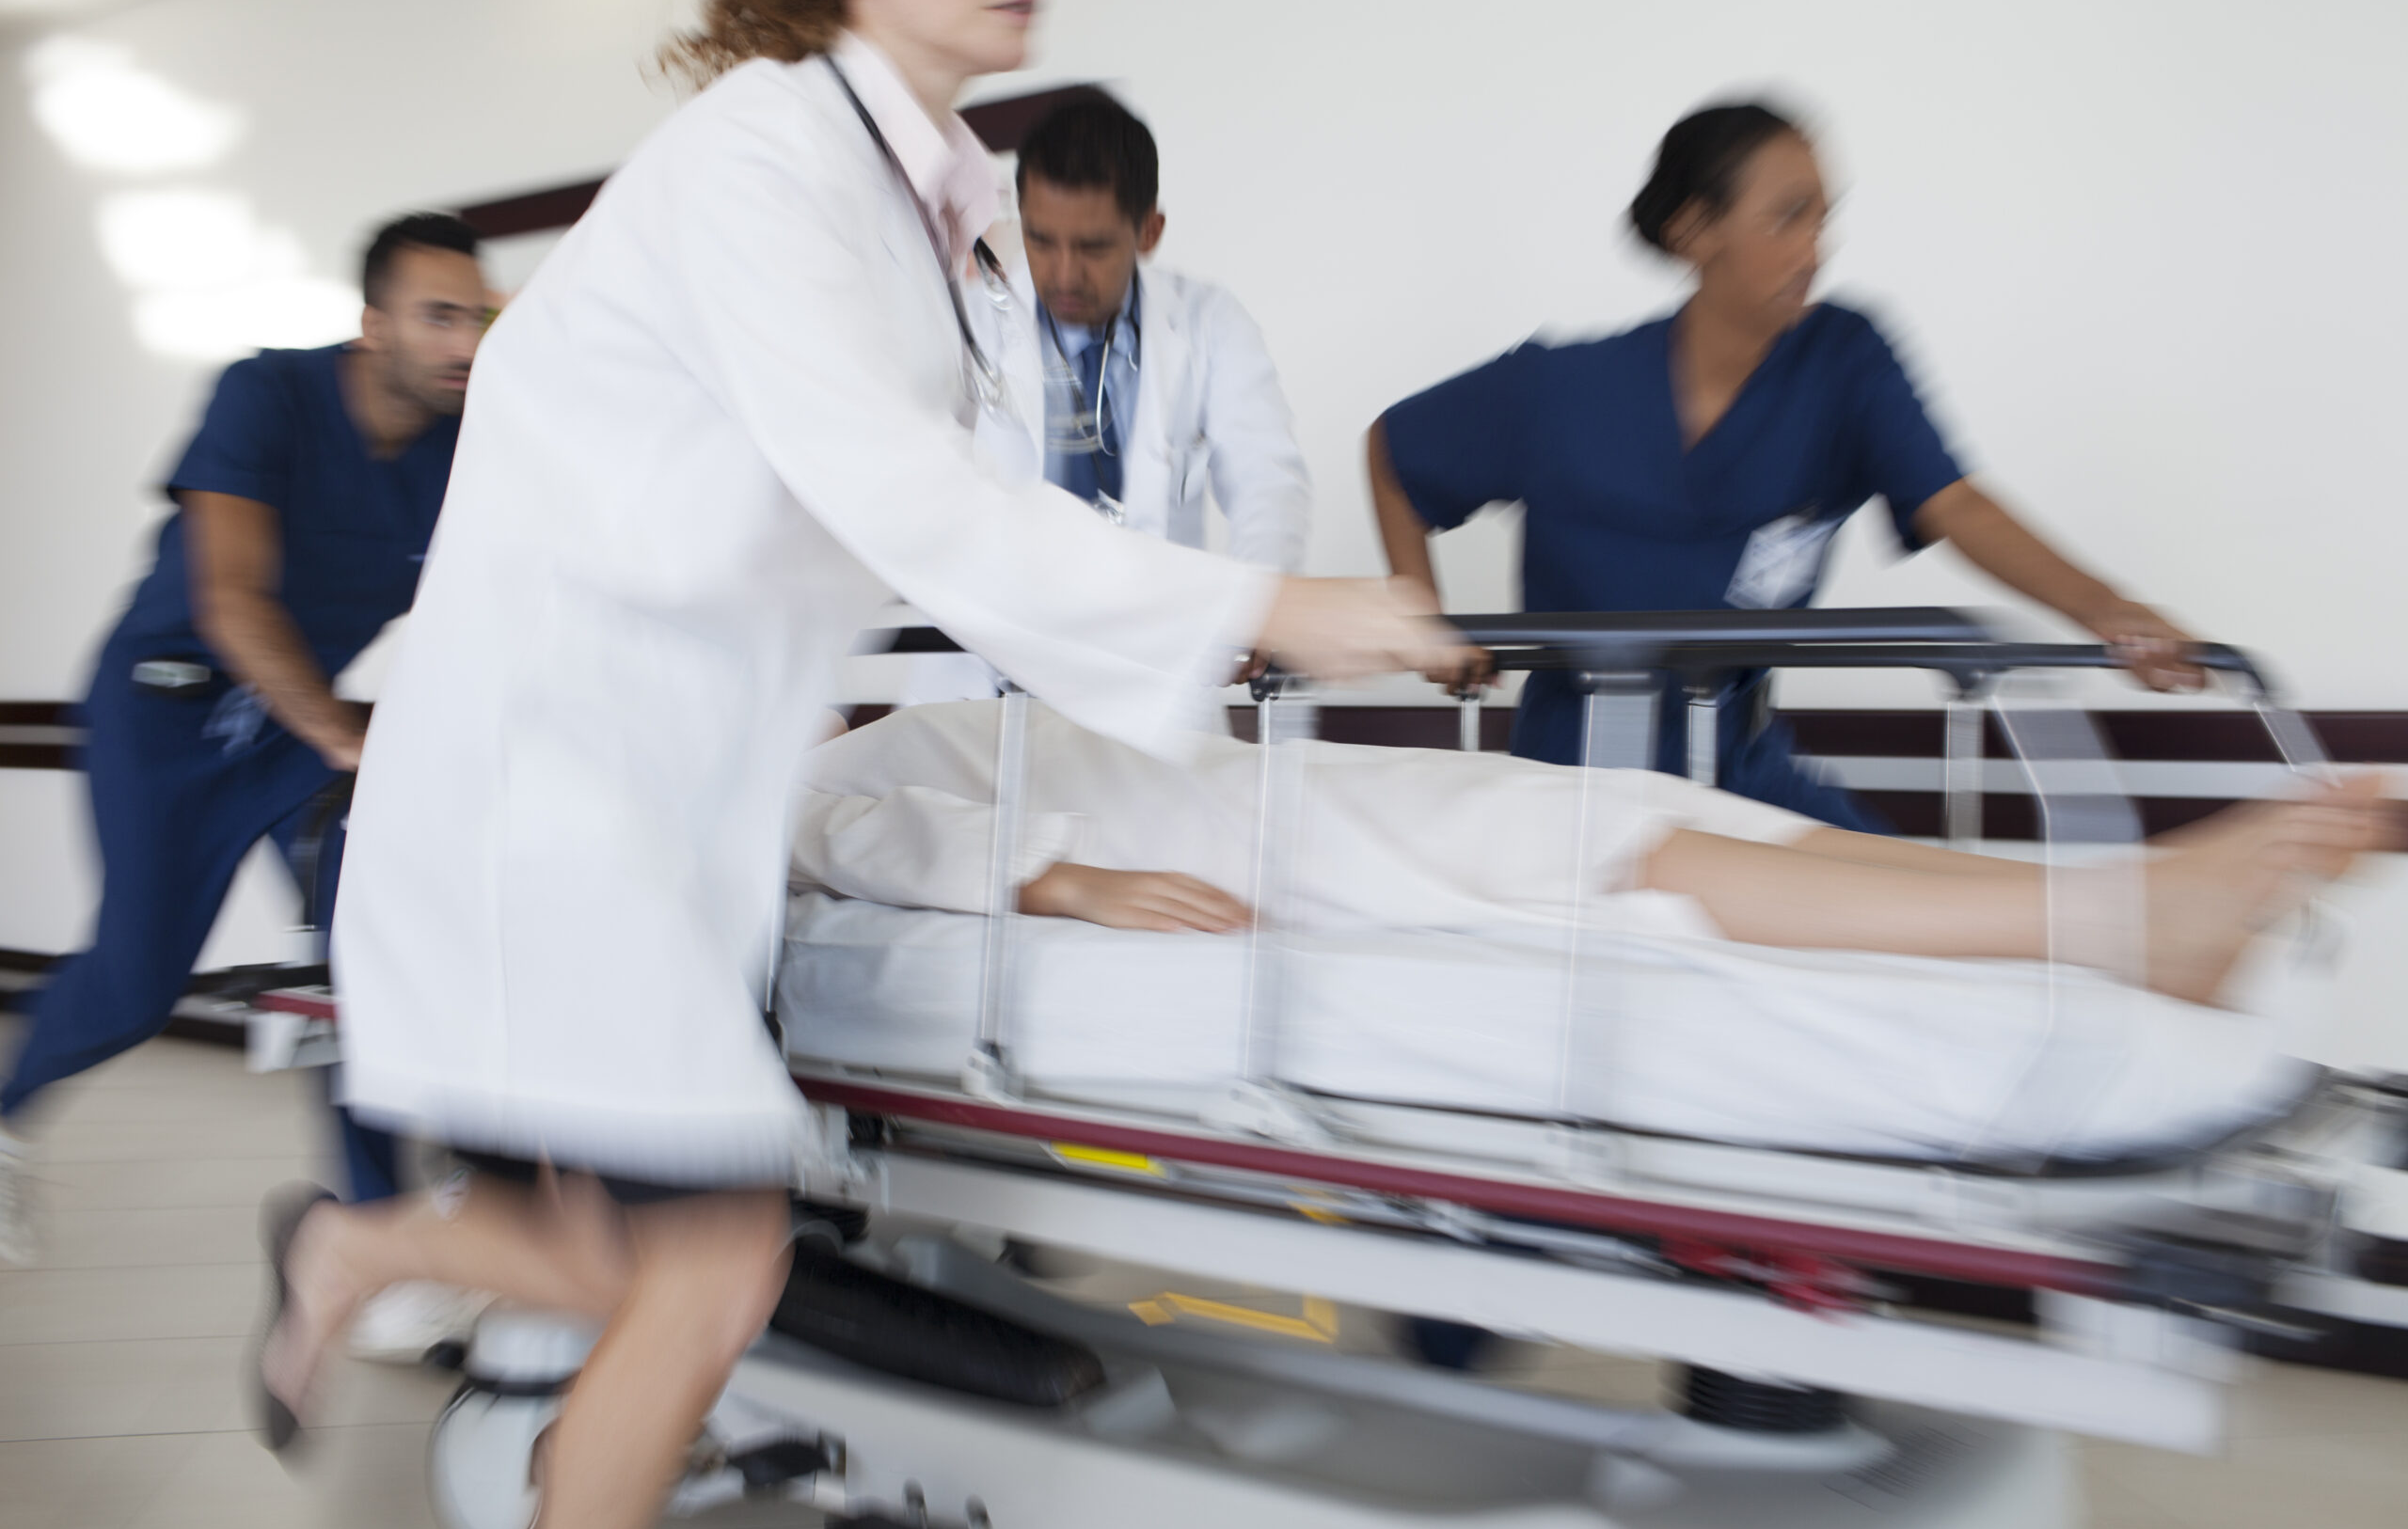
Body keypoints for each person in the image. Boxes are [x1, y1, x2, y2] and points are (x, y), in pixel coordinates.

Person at [248, 0, 1460, 1529]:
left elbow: (891, 521)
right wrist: (1273, 602)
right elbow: (917, 502)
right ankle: (366, 1261)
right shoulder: (760, 159)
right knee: (707, 1275)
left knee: (664, 1261)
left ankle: (355, 1250)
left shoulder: (929, 215)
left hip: (661, 808)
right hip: (543, 800)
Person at [1370, 100, 2202, 829]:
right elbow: (1397, 450)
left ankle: (2155, 913)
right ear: (1694, 231)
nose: (1817, 248)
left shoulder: (1844, 360)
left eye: (1824, 218)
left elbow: (1956, 503)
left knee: (1906, 912)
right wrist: (1421, 612)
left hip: (1739, 763)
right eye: (1788, 217)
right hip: (1576, 782)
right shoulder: (1560, 389)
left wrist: (2110, 611)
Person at [0, 213, 490, 1273]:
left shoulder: (468, 448)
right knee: (133, 984)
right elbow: (230, 598)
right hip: (166, 708)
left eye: (480, 318)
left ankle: (370, 1240)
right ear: (374, 325)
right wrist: (340, 732)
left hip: (297, 728)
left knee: (364, 962)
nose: (465, 343)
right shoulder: (264, 394)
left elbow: (491, 609)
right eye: (438, 316)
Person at [793, 698, 2386, 1016]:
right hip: (1238, 833)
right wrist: (1060, 882)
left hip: (1254, 784)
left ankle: (2136, 916)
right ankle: (2136, 916)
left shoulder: (902, 707)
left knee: (1684, 838)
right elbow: (864, 835)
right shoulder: (810, 774)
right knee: (1629, 858)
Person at [911, 88, 1313, 699]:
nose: (1064, 274)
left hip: (1140, 682)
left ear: (1149, 230)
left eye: (1093, 247)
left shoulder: (1208, 323)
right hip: (985, 685)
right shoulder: (967, 322)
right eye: (1042, 240)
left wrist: (1258, 597)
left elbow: (1267, 479)